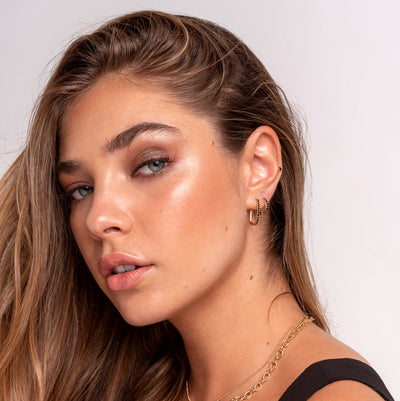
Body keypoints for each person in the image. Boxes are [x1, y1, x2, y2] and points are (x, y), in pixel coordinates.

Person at [0, 10, 394, 401]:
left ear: (258, 169)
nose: (98, 219)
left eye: (152, 164)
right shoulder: (129, 384)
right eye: (80, 190)